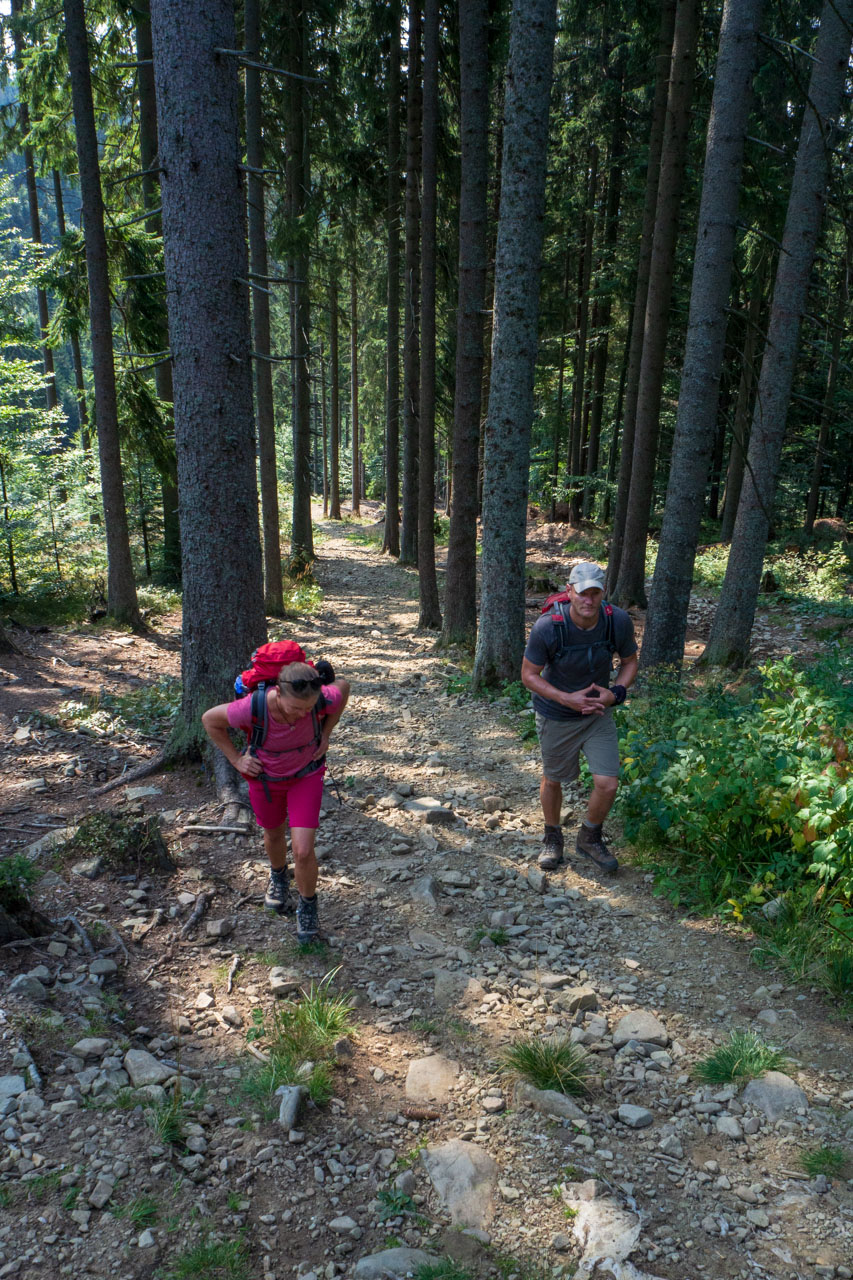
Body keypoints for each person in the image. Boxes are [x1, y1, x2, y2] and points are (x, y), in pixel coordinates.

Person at [202, 659, 350, 942]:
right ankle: (279, 877)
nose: (301, 715)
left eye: (309, 709)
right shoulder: (253, 707)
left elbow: (342, 687)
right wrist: (236, 760)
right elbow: (210, 720)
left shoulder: (319, 699)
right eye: (295, 708)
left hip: (306, 776)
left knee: (304, 850)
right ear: (278, 694)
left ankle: (308, 906)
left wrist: (326, 734)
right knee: (273, 832)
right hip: (266, 781)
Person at [521, 562, 638, 874]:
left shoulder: (618, 622)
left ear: (603, 594)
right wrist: (565, 698)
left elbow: (629, 662)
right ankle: (552, 836)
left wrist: (616, 693)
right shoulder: (548, 626)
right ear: (569, 591)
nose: (588, 599)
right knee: (554, 778)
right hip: (557, 715)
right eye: (583, 592)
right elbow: (529, 675)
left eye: (595, 593)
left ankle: (589, 836)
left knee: (608, 783)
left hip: (598, 714)